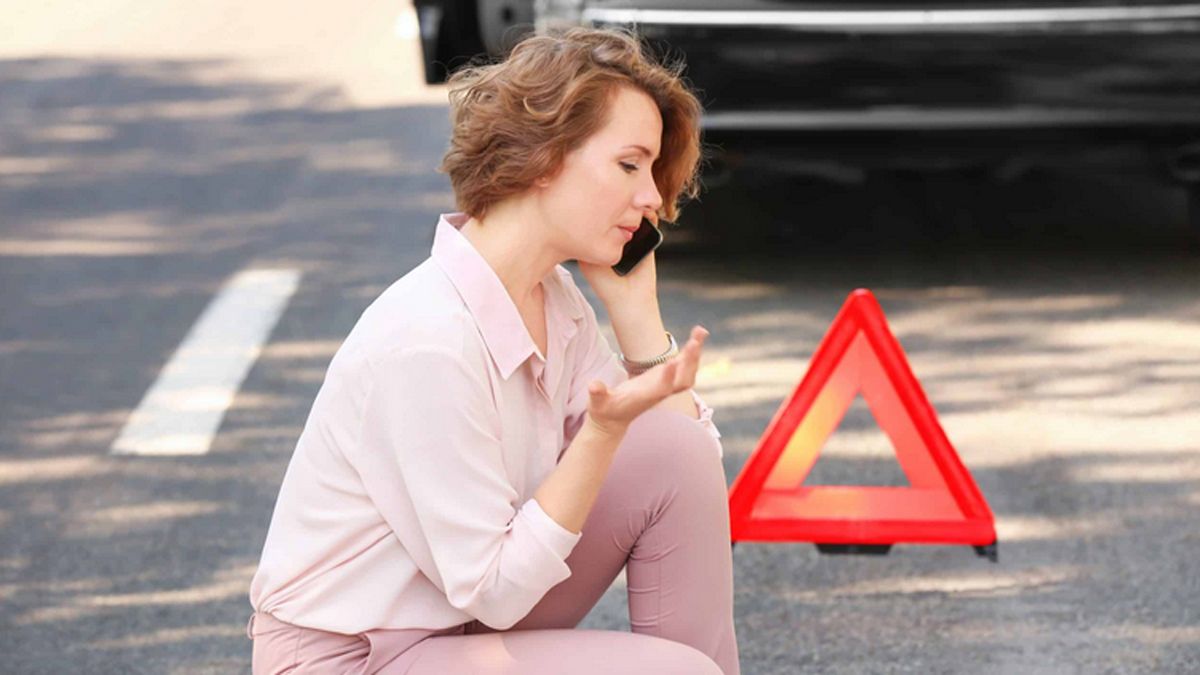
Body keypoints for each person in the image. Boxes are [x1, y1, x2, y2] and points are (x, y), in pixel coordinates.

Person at [246, 25, 739, 674]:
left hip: (459, 622)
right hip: (357, 657)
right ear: (544, 158)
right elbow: (497, 590)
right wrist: (600, 433)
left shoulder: (553, 298)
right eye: (629, 165)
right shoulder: (428, 340)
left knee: (676, 450)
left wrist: (635, 313)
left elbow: (688, 469)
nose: (651, 198)